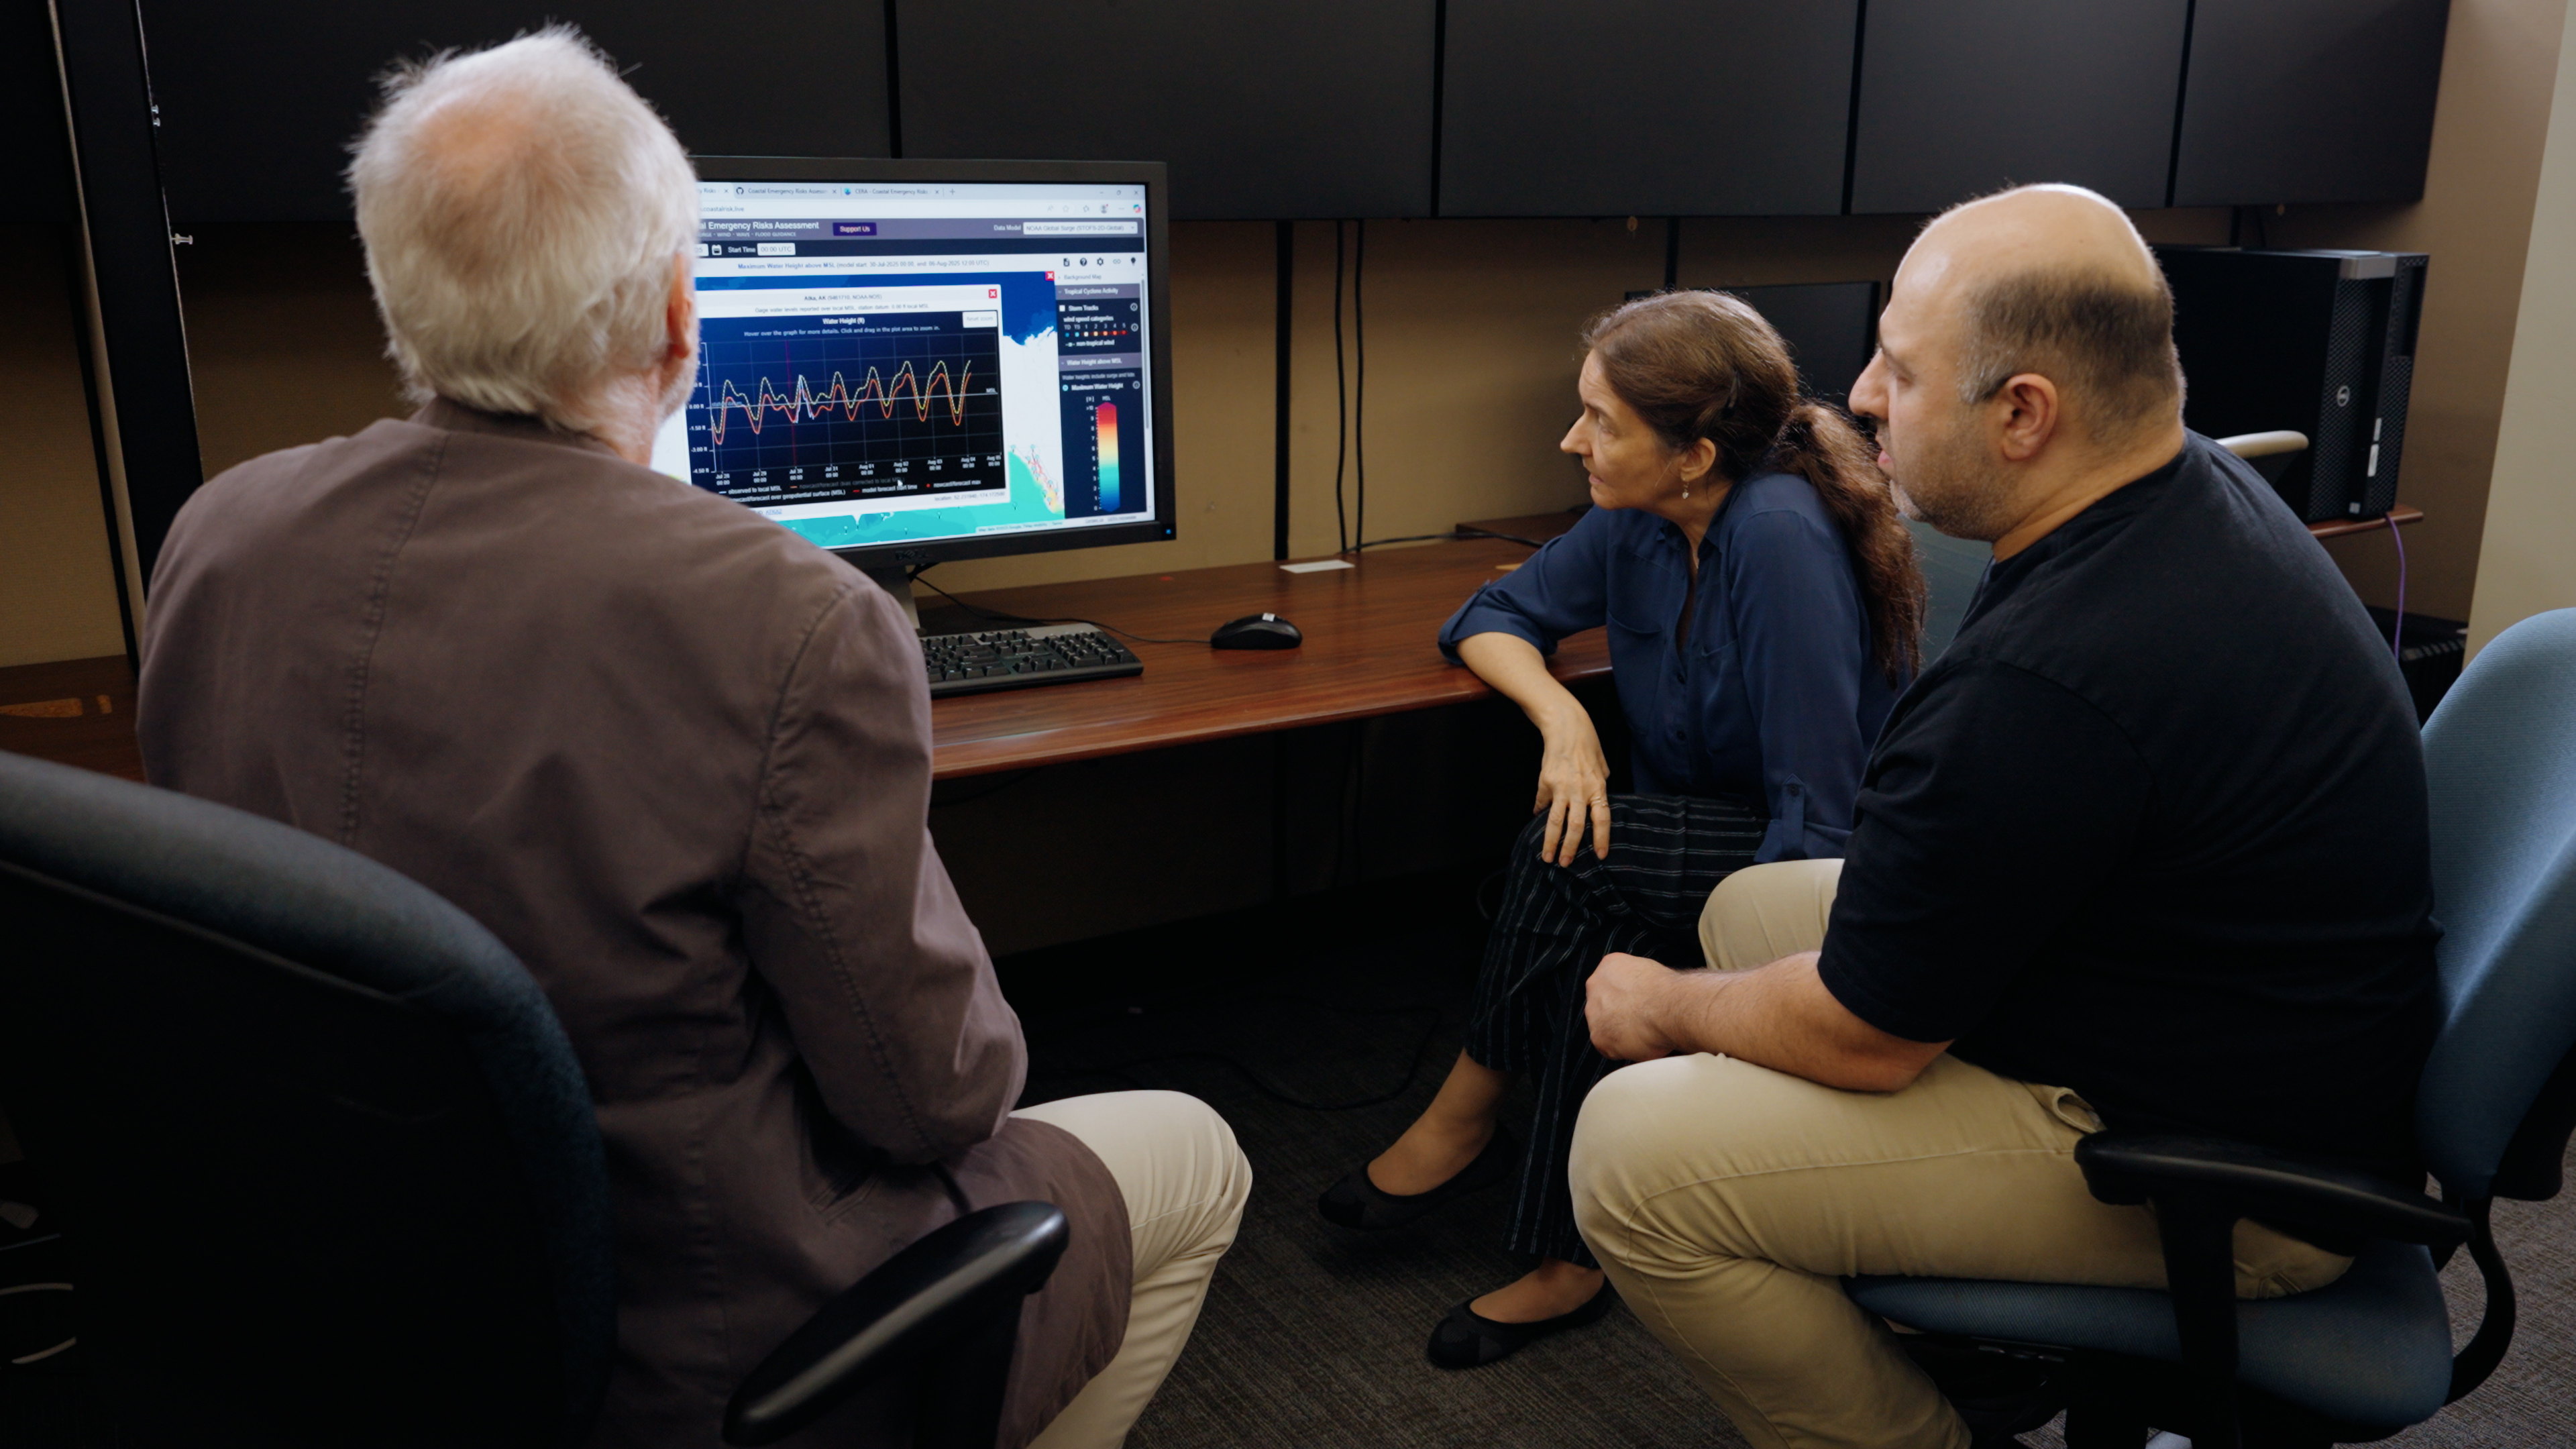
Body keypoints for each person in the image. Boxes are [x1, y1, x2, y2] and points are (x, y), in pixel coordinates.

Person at [133, 31, 1247, 1449]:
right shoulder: (789, 616)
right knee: (1193, 1155)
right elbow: (935, 1099)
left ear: (397, 296)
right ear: (678, 313)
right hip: (693, 1342)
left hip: (350, 1284)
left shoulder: (220, 533)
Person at [1567, 184, 2441, 1449]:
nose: (1860, 393)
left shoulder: (2051, 681)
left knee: (1631, 1157)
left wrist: (1662, 1008)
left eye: (1901, 372)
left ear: (2025, 413)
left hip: (2231, 1177)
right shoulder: (2191, 492)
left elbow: (1866, 1036)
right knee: (1748, 903)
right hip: (2215, 1014)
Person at [1318, 290, 1925, 1366]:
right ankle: (1568, 1249)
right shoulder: (1638, 521)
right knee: (1589, 855)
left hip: (1809, 868)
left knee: (1583, 864)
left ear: (1693, 454)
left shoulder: (1779, 538)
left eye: (1601, 420)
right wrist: (1565, 722)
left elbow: (1818, 813)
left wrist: (1748, 1001)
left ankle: (1468, 1122)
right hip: (1685, 830)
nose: (1571, 440)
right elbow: (1490, 617)